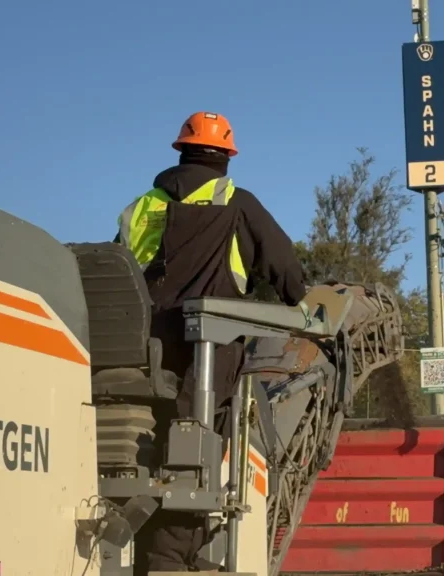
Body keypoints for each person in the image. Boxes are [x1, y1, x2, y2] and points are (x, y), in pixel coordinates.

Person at [117, 111, 306, 571]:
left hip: (137, 360)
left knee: (142, 461)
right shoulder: (237, 204)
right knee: (191, 469)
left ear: (180, 152)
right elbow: (287, 273)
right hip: (203, 367)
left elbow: (123, 276)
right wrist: (299, 303)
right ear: (225, 158)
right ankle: (173, 556)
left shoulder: (140, 207)